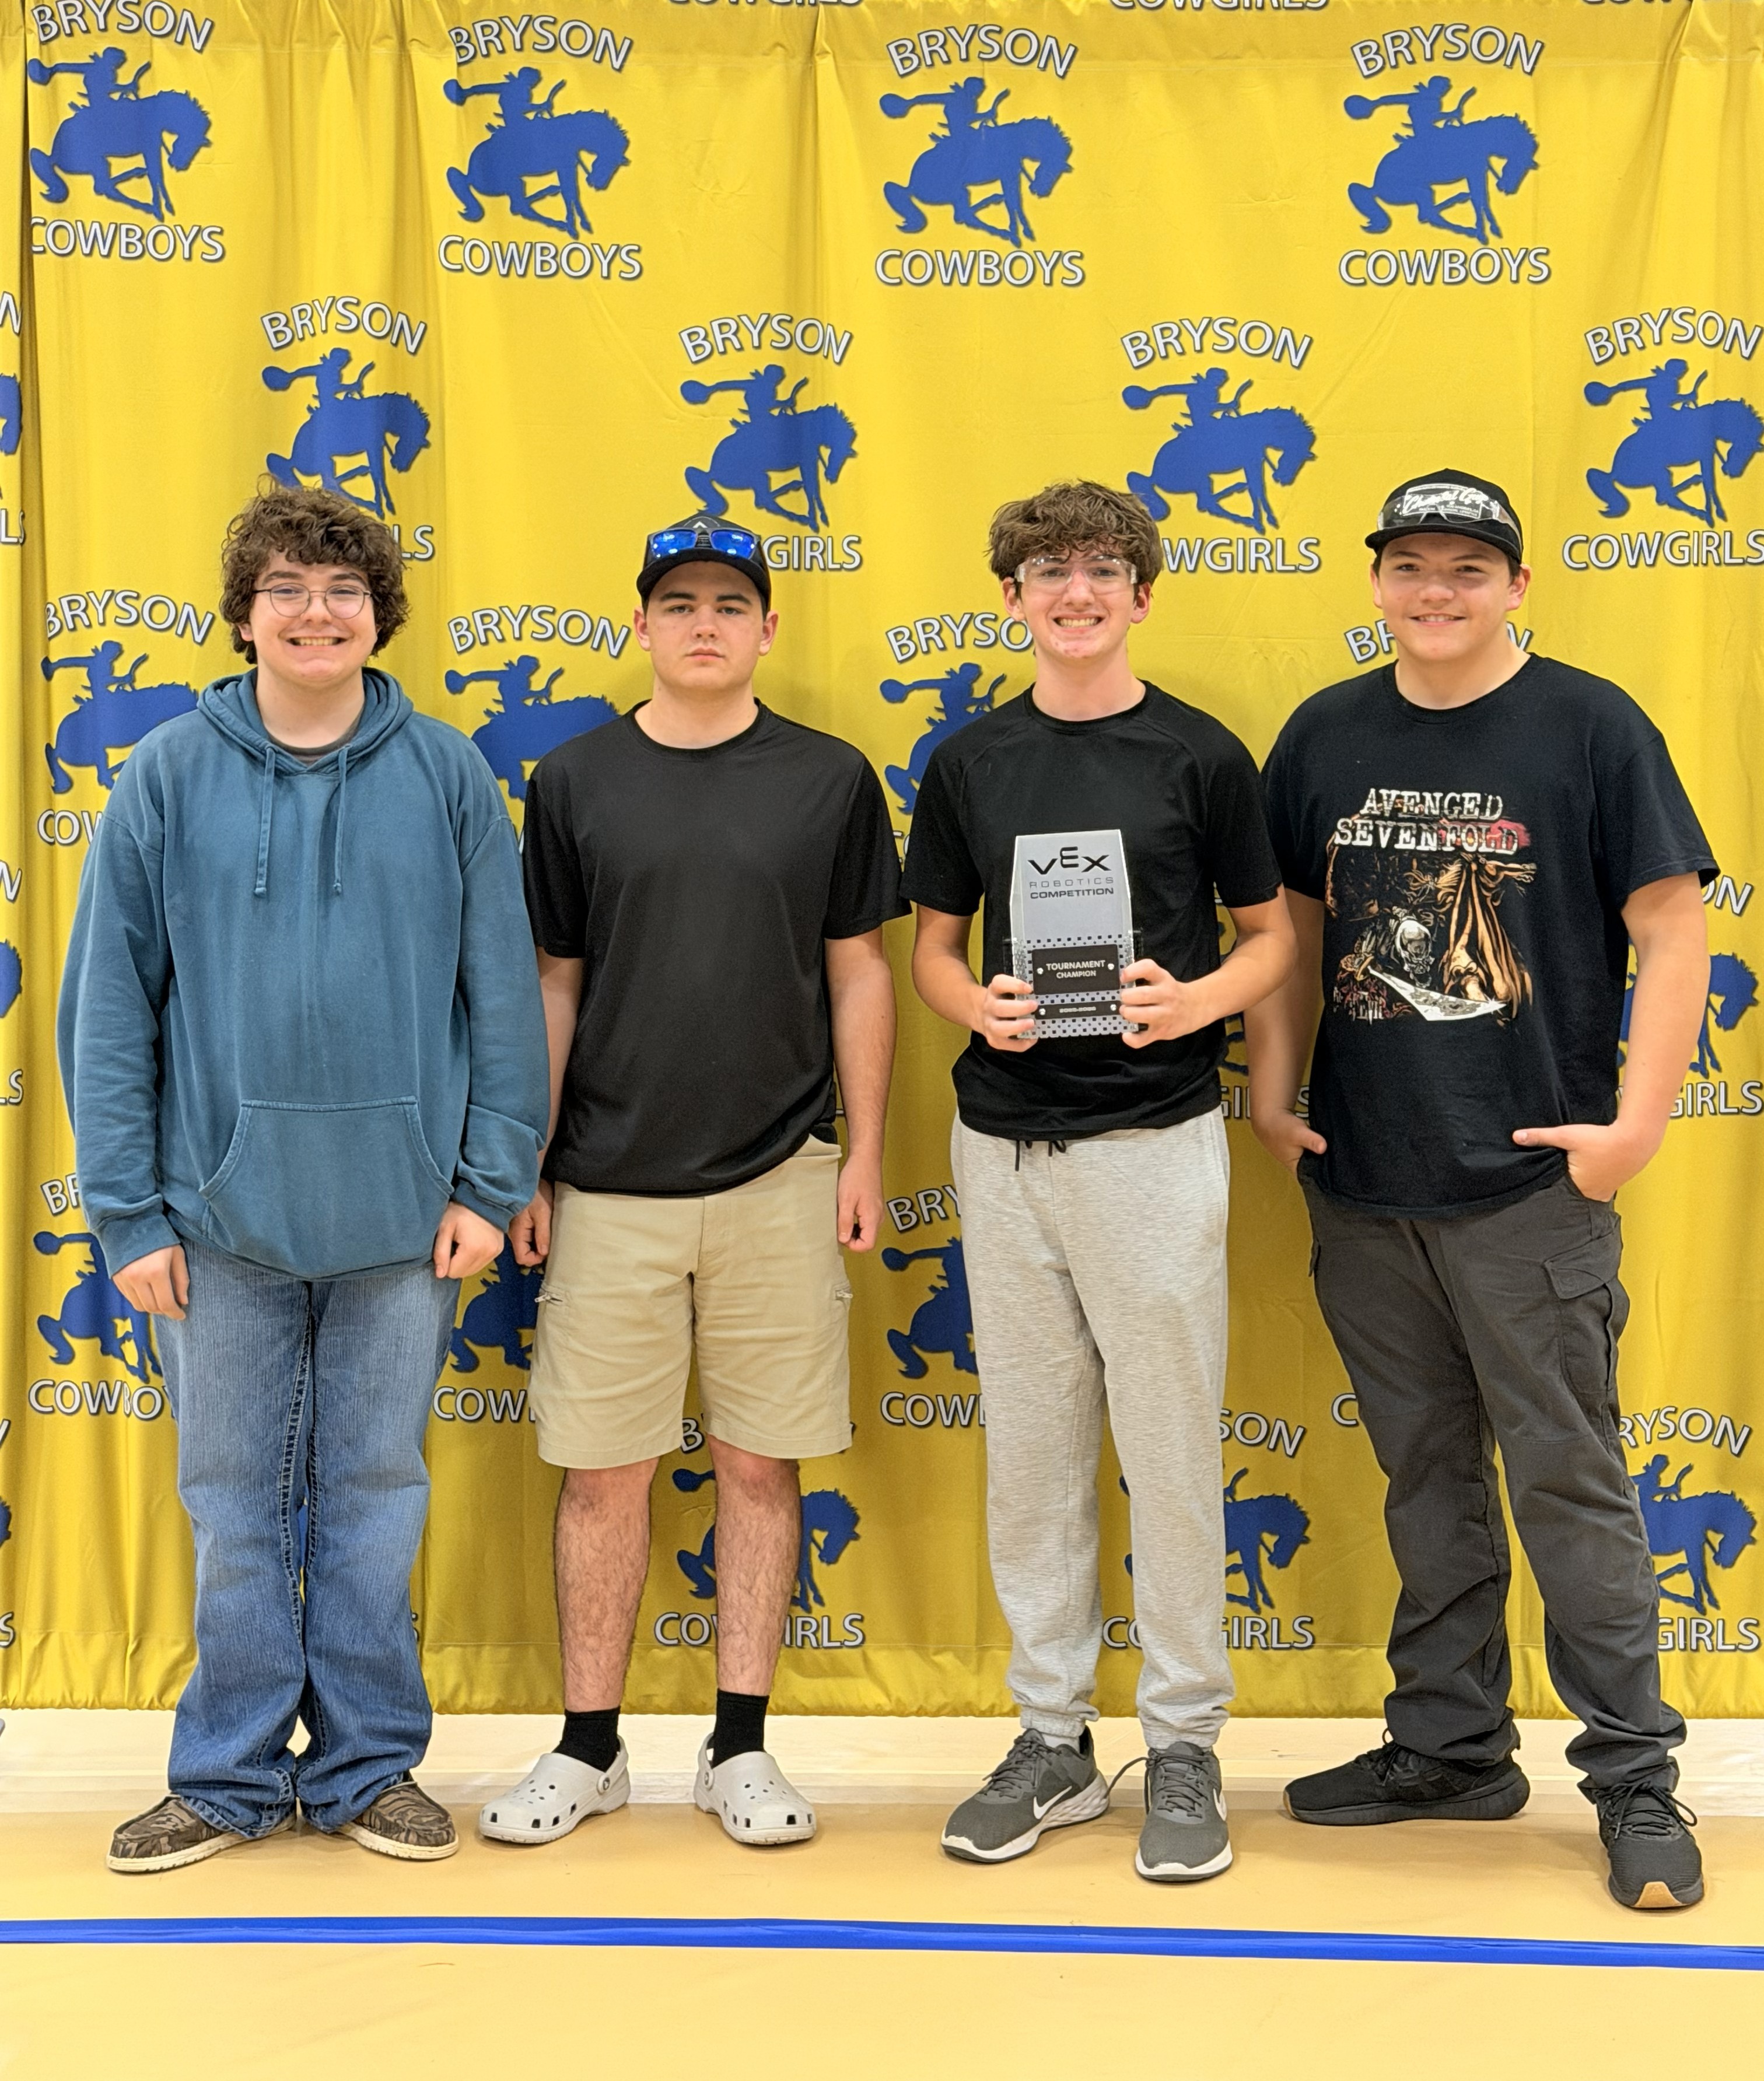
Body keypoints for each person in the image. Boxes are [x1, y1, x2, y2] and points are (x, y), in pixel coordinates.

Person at [59, 483, 548, 1873]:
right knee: (230, 1499)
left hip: (405, 1218)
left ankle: (365, 1766)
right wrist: (131, 1210)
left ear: (377, 614)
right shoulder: (163, 772)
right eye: (286, 588)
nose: (315, 611)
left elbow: (500, 999)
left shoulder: (447, 773)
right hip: (216, 1223)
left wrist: (485, 1178)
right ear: (246, 615)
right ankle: (220, 1775)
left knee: (376, 1494)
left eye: (341, 589)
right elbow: (108, 1013)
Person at [1247, 469, 1714, 1911]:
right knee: (1426, 1477)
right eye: (1410, 565)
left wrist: (1635, 1121)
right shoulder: (1325, 730)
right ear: (1377, 579)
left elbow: (1674, 918)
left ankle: (1634, 1770)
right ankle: (1450, 1744)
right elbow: (1293, 921)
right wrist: (1273, 1088)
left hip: (1528, 1187)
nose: (1436, 591)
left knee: (1569, 1481)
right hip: (1366, 1179)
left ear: (1517, 584)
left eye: (1467, 567)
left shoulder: (1588, 722)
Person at [480, 515, 903, 1850]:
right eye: (679, 603)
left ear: (770, 627)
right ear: (645, 625)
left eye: (731, 602)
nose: (705, 621)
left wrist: (868, 1153)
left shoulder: (833, 778)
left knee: (757, 1463)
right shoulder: (577, 779)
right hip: (605, 1183)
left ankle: (740, 1744)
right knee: (601, 1474)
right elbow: (554, 980)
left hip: (782, 1174)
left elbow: (861, 971)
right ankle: (588, 1746)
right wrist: (529, 1162)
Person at [900, 480, 1295, 1882]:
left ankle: (1184, 1744)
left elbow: (1267, 943)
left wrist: (1196, 1004)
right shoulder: (970, 762)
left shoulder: (1200, 752)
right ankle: (1052, 1738)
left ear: (1142, 591)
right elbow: (935, 947)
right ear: (1011, 596)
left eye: (1103, 568)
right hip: (1004, 1148)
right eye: (1049, 570)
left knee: (1176, 1450)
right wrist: (974, 1008)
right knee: (1035, 1454)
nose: (1075, 591)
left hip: (1152, 1145)